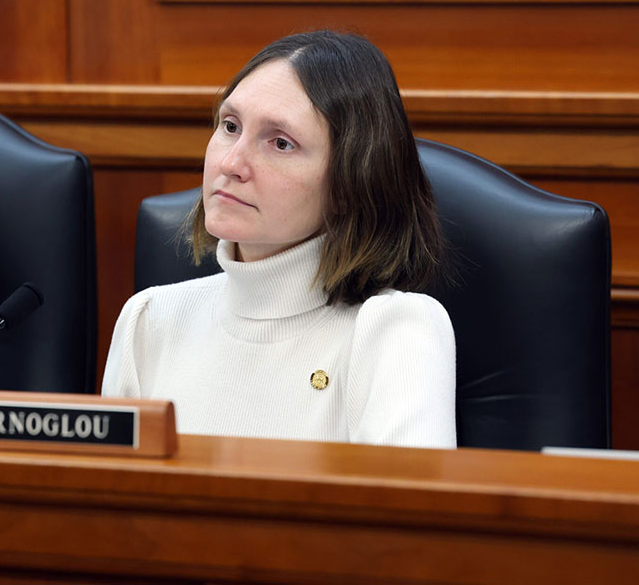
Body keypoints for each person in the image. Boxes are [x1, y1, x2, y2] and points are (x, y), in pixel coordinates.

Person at [102, 31, 456, 448]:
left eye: (280, 143)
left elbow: (407, 511)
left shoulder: (394, 330)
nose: (231, 163)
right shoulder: (148, 320)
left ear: (350, 185)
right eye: (230, 126)